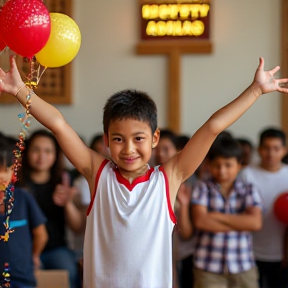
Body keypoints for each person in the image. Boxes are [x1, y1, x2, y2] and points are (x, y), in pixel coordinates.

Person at [0, 55, 287, 288]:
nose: (128, 149)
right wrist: (20, 90)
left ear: (155, 138)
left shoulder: (168, 178)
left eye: (138, 138)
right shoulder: (97, 172)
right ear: (106, 139)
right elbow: (58, 124)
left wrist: (256, 90)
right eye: (117, 139)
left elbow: (213, 127)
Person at [189, 135, 263, 288]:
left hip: (243, 265)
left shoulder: (249, 188)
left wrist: (215, 217)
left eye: (228, 165)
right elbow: (201, 221)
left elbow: (255, 223)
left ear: (239, 165)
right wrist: (240, 222)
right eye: (217, 165)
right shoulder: (202, 187)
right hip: (208, 267)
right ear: (209, 164)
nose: (222, 171)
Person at [17, 129, 84, 288]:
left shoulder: (63, 181)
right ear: (26, 152)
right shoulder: (17, 184)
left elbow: (77, 227)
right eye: (36, 150)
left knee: (68, 271)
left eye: (48, 151)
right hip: (24, 249)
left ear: (56, 155)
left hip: (56, 248)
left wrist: (67, 203)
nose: (42, 156)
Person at [241, 127, 288, 288]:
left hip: (283, 254)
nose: (271, 153)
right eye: (266, 148)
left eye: (276, 148)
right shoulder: (247, 174)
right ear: (259, 149)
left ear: (284, 150)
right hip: (250, 252)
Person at [0, 135, 48, 288]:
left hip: (22, 279)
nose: (2, 175)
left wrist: (34, 256)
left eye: (7, 169)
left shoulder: (23, 198)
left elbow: (41, 234)